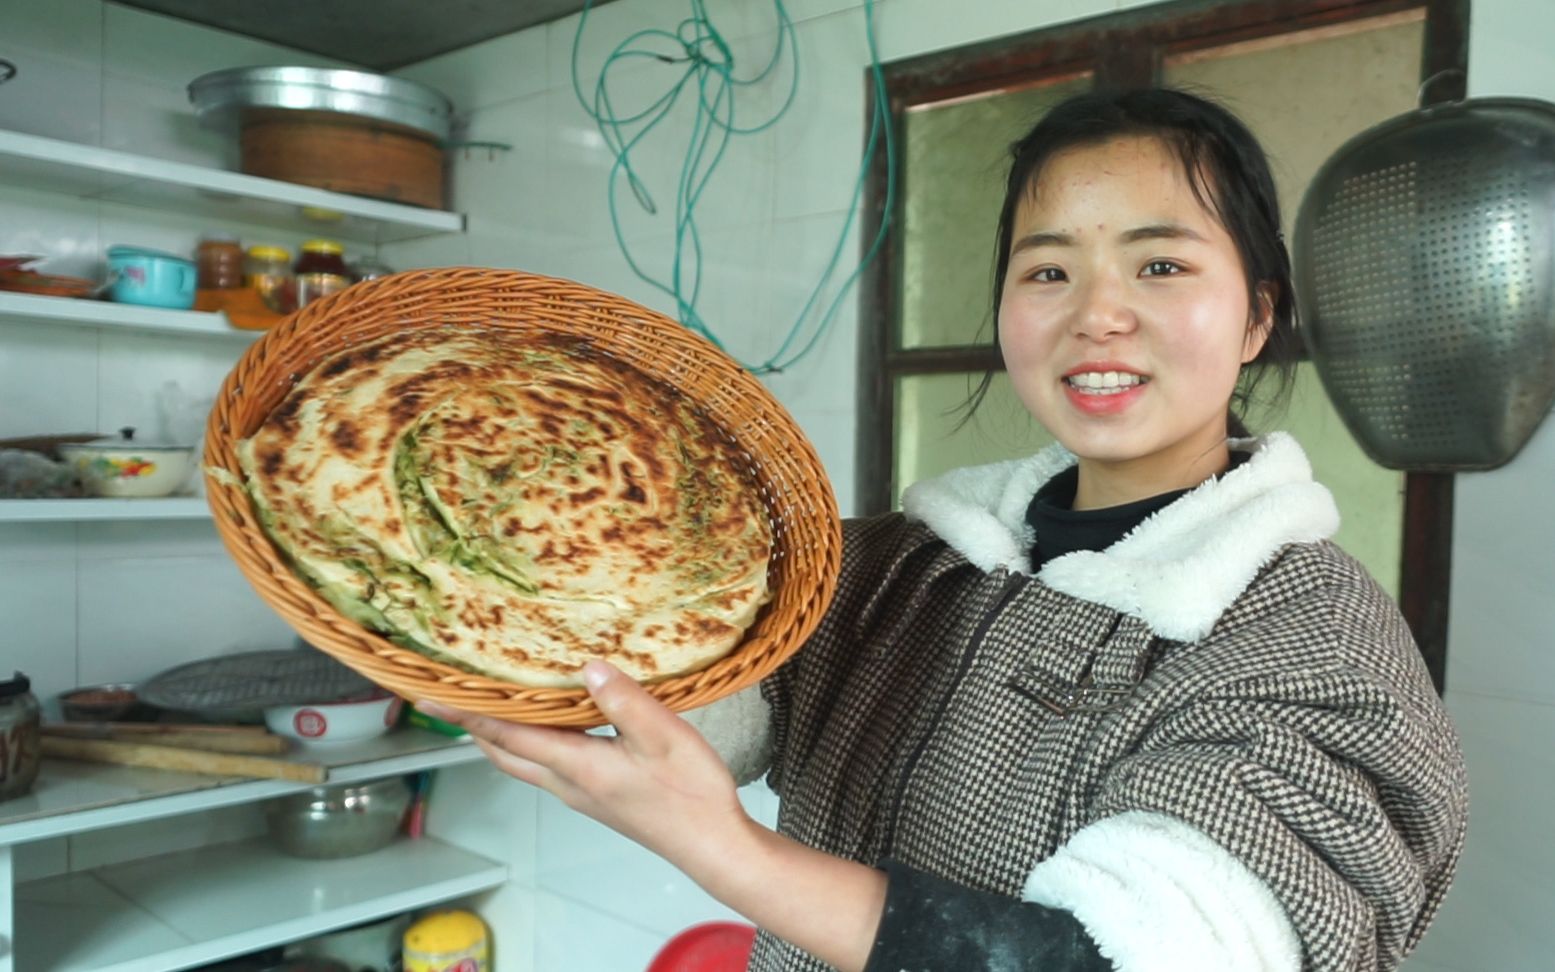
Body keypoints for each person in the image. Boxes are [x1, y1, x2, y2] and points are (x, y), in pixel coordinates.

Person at [417, 88, 1469, 971]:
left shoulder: (1313, 647)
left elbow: (1107, 960)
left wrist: (717, 846)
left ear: (1254, 318)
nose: (1096, 313)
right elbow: (702, 681)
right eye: (1047, 270)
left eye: (1159, 265)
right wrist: (503, 609)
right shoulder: (900, 567)